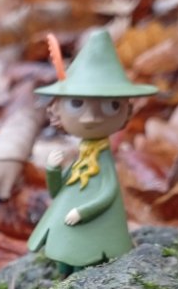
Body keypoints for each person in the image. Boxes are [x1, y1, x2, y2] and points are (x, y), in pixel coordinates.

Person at [27, 30, 158, 275]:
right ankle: (62, 278)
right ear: (57, 109)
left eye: (111, 106)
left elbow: (108, 192)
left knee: (86, 260)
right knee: (63, 256)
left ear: (125, 111)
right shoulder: (82, 157)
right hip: (67, 227)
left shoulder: (101, 159)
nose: (90, 117)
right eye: (77, 104)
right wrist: (53, 171)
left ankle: (82, 282)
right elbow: (59, 192)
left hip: (94, 227)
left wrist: (83, 212)